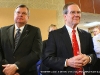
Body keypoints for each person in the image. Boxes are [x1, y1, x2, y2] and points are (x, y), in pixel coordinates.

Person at [42, 2, 97, 75]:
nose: (77, 15)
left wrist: (89, 58)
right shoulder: (54, 35)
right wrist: (67, 62)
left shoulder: (87, 35)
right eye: (73, 12)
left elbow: (93, 54)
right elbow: (47, 59)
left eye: (78, 12)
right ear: (65, 16)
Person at [0, 4, 42, 75]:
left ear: (28, 17)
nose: (20, 15)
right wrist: (8, 69)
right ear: (14, 15)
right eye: (18, 12)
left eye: (24, 13)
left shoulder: (35, 31)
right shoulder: (2, 31)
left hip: (26, 72)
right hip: (5, 72)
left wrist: (16, 67)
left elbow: (36, 54)